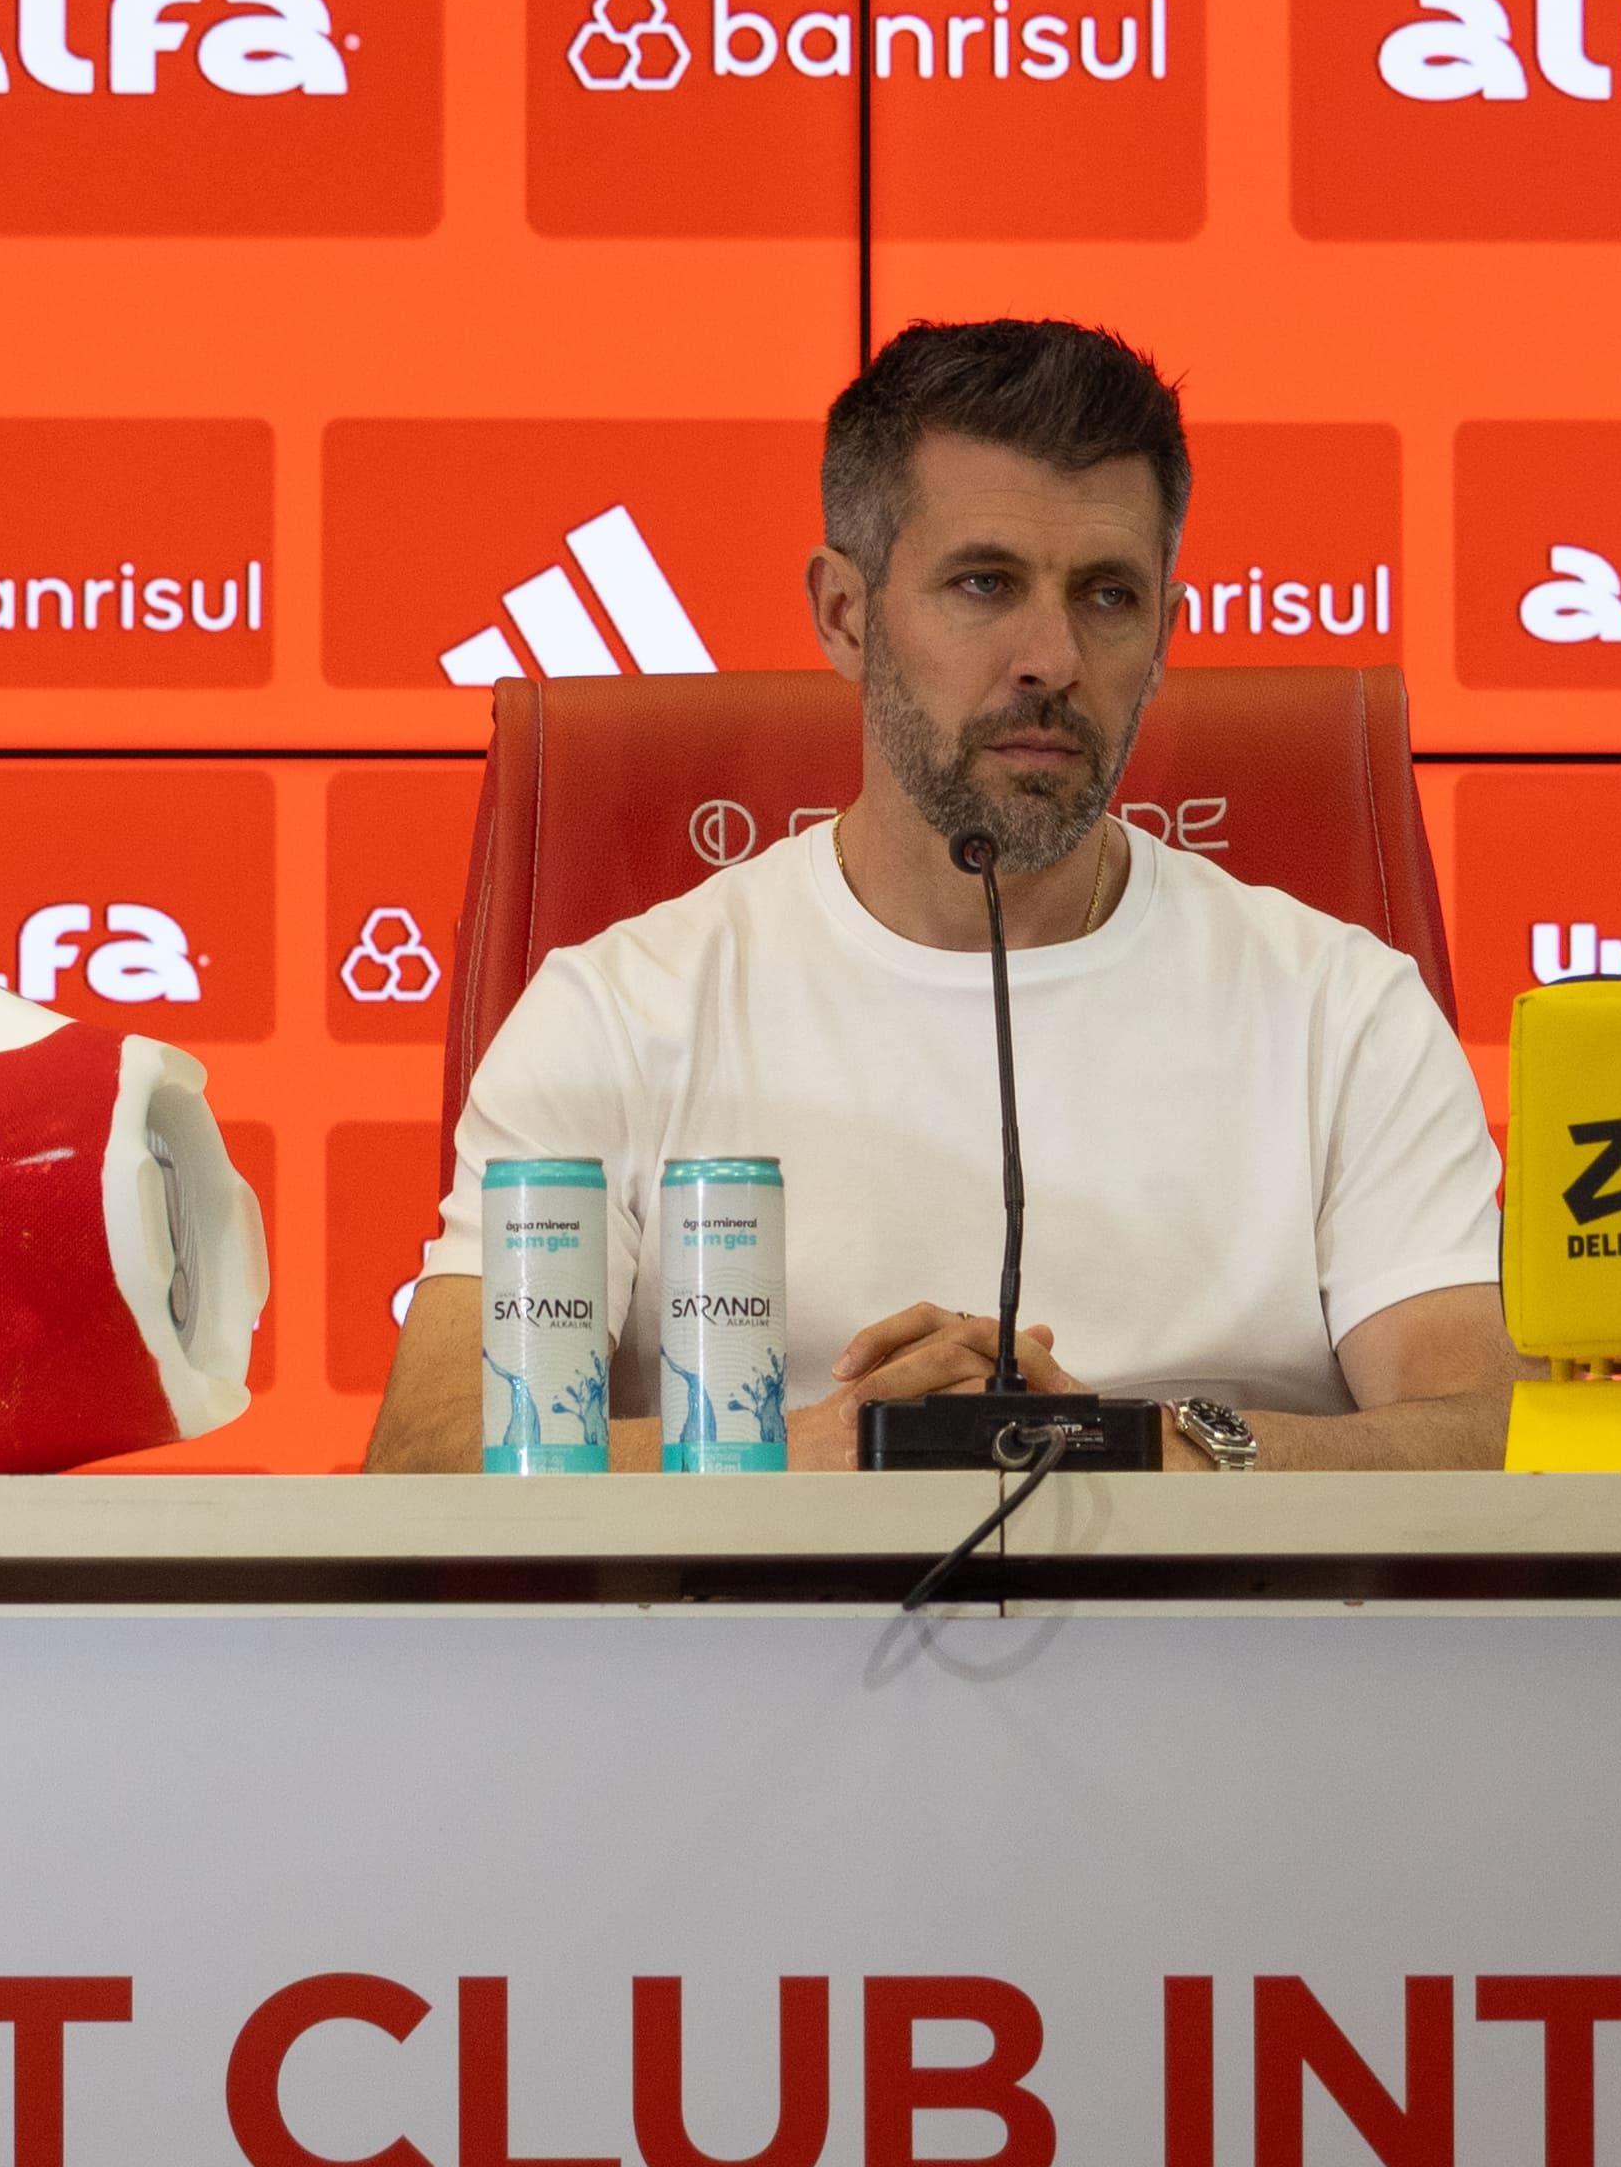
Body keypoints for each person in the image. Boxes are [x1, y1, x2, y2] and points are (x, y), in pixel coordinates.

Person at [366, 317, 1508, 1475]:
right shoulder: (612, 1014)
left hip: (1234, 1643)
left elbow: (1490, 1439)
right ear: (844, 615)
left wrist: (1150, 1452)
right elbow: (427, 1460)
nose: (1050, 656)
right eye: (983, 583)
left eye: (1107, 596)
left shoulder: (1344, 1010)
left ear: (1164, 636)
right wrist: (818, 1453)